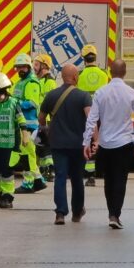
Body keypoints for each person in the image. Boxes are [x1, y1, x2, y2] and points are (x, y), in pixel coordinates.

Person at [83, 59, 134, 229]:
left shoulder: (100, 93)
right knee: (120, 180)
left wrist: (86, 142)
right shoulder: (132, 93)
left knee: (108, 180)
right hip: (124, 143)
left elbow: (92, 119)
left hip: (105, 144)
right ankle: (115, 215)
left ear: (110, 72)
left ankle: (111, 212)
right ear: (124, 73)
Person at [39, 64, 93, 225]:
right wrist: (92, 139)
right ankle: (77, 212)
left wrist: (47, 129)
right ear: (76, 77)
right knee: (77, 178)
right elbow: (90, 118)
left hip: (58, 143)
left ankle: (60, 213)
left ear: (62, 77)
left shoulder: (51, 95)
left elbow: (41, 118)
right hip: (78, 145)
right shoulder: (83, 96)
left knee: (60, 176)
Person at [0, 72, 26, 208]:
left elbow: (21, 120)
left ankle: (8, 197)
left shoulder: (14, 103)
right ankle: (1, 193)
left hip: (8, 145)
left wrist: (25, 135)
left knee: (7, 172)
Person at [11, 53, 47, 194]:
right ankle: (38, 180)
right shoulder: (21, 82)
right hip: (23, 124)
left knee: (27, 154)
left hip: (29, 125)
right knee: (29, 153)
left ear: (28, 67)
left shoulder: (31, 82)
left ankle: (28, 183)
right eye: (17, 67)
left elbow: (32, 103)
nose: (19, 70)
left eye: (22, 67)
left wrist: (15, 103)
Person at [77, 44, 109, 187]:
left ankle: (90, 175)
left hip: (87, 113)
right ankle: (103, 170)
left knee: (88, 142)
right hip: (103, 112)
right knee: (103, 140)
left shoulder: (79, 75)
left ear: (84, 59)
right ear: (95, 57)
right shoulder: (104, 74)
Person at [34, 53, 57, 181]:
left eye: (37, 65)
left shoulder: (50, 82)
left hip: (46, 120)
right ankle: (43, 170)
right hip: (37, 119)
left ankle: (50, 170)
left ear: (44, 66)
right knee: (40, 146)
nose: (34, 68)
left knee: (46, 146)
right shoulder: (37, 81)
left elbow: (51, 103)